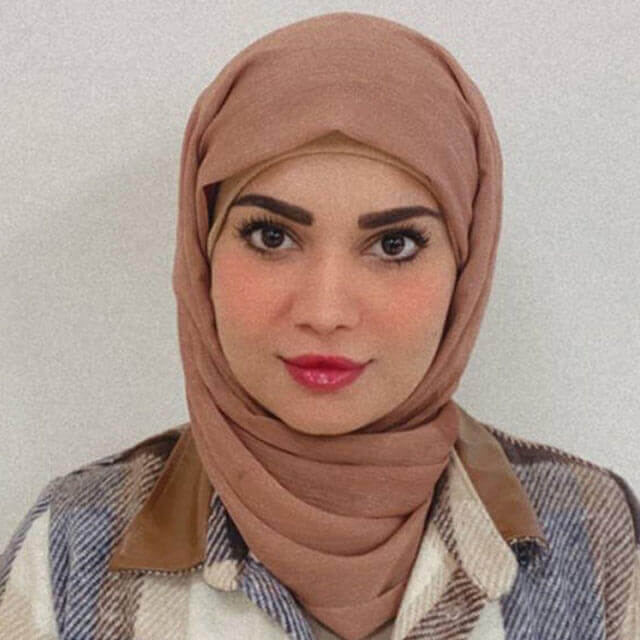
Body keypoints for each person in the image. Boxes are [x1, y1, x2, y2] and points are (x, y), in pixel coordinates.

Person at [1, 11, 638, 640]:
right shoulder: (72, 548)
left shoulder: (594, 534)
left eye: (393, 244)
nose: (326, 312)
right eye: (271, 236)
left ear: (465, 270)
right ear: (203, 253)